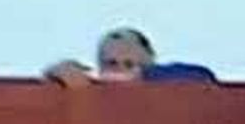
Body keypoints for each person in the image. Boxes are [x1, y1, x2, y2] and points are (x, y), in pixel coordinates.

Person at [43, 26, 216, 85]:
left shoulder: (169, 84)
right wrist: (56, 76)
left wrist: (142, 77)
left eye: (129, 64)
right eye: (112, 63)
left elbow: (203, 78)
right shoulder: (94, 93)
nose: (120, 70)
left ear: (150, 61)